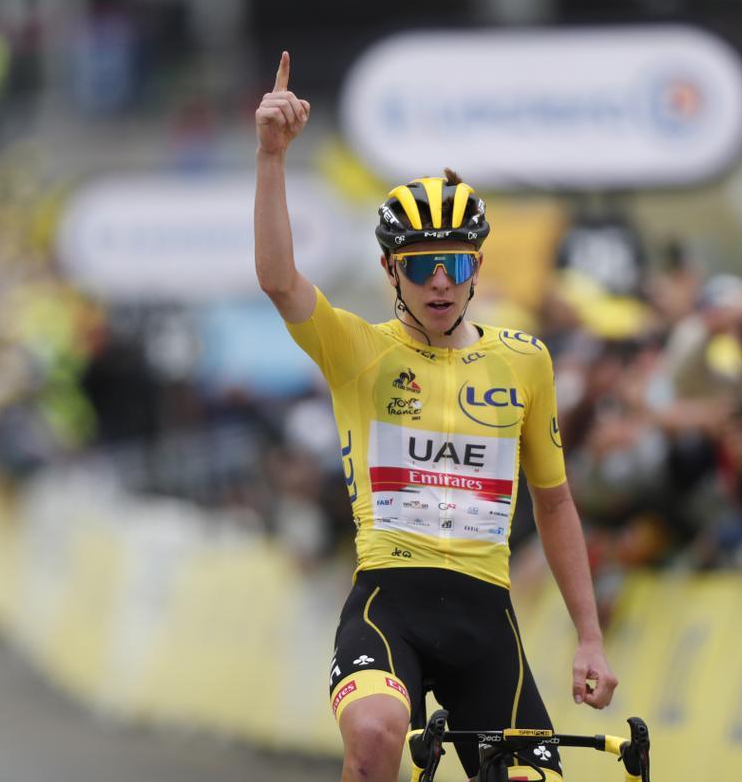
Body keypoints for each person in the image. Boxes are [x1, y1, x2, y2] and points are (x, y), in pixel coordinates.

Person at [254, 51, 617, 782]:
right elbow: (279, 280)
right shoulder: (359, 351)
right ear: (391, 271)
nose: (441, 282)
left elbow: (554, 503)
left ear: (479, 267)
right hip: (390, 604)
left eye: (456, 263)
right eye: (421, 266)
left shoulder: (526, 361)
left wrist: (589, 636)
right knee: (377, 736)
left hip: (487, 619)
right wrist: (271, 158)